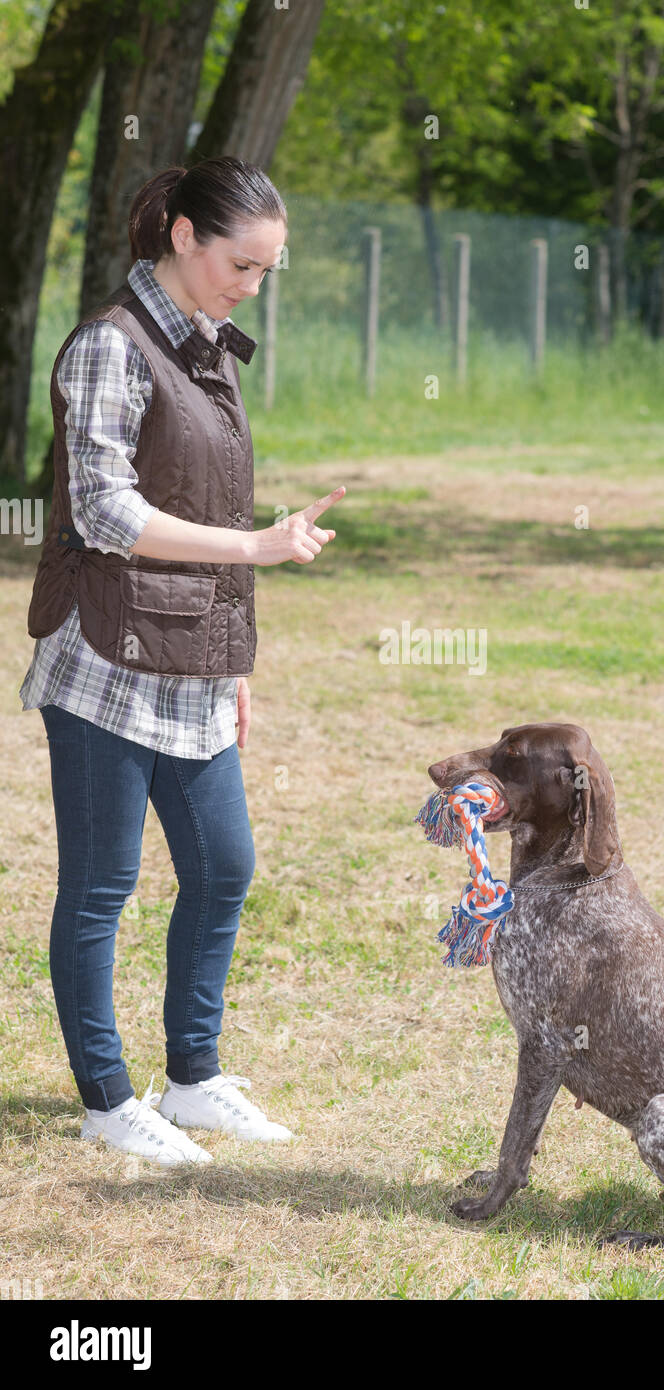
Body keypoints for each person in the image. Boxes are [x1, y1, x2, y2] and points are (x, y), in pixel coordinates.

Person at [19, 155, 346, 1166]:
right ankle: (108, 1100)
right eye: (241, 264)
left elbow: (207, 507)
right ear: (182, 238)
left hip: (192, 662)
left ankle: (193, 1080)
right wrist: (259, 549)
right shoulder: (106, 348)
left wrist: (230, 658)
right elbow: (108, 512)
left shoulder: (210, 348)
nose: (252, 285)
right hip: (105, 658)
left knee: (224, 867)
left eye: (266, 271)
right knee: (101, 889)